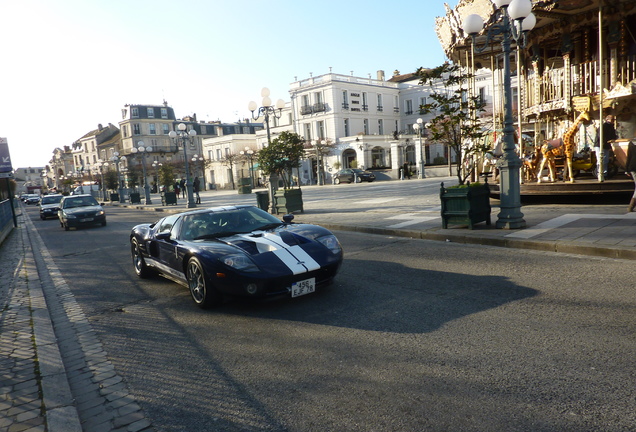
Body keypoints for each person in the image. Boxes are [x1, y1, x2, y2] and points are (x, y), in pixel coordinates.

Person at [626, 141, 636, 212]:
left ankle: (631, 206)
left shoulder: (631, 143)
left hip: (632, 166)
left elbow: (629, 156)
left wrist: (627, 169)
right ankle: (631, 206)